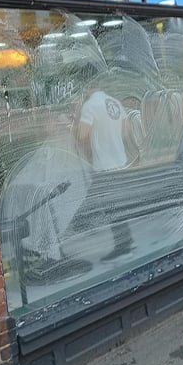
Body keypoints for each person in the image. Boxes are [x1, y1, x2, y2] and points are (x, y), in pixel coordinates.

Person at [74, 89, 134, 261]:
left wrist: (78, 120)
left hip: (104, 166)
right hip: (121, 162)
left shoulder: (90, 106)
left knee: (111, 208)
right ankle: (125, 241)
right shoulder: (114, 101)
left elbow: (81, 134)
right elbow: (126, 130)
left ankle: (123, 245)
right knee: (115, 205)